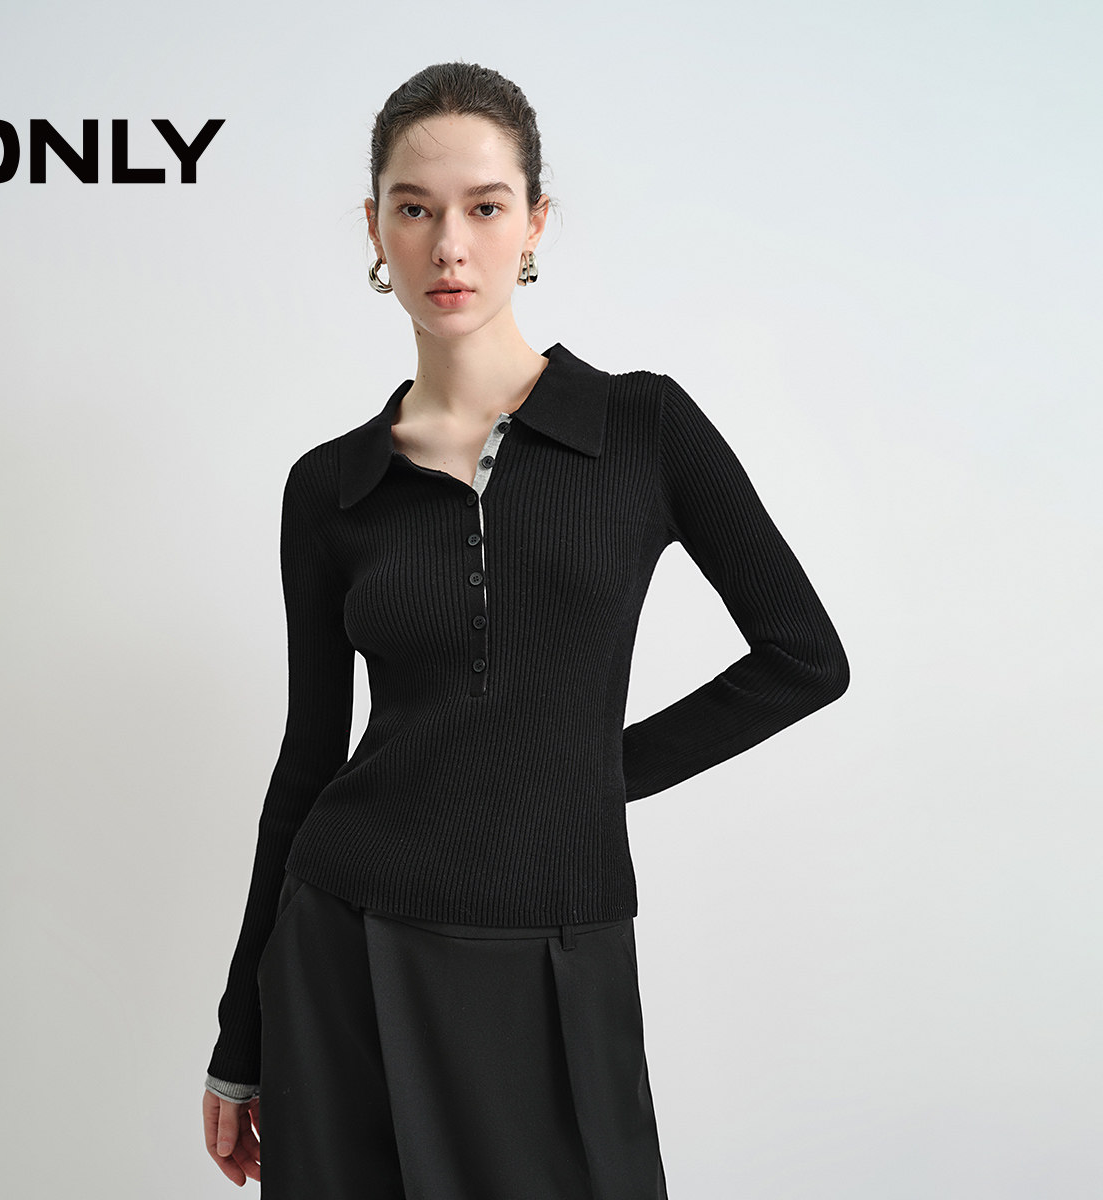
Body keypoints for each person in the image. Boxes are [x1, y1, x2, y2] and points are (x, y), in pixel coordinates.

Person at [201, 61, 849, 1198]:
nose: (449, 245)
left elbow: (805, 658)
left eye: (485, 207)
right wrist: (237, 1040)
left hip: (554, 938)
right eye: (415, 208)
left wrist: (590, 774)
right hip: (343, 943)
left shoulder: (642, 426)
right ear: (375, 230)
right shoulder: (330, 486)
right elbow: (308, 757)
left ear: (535, 222)